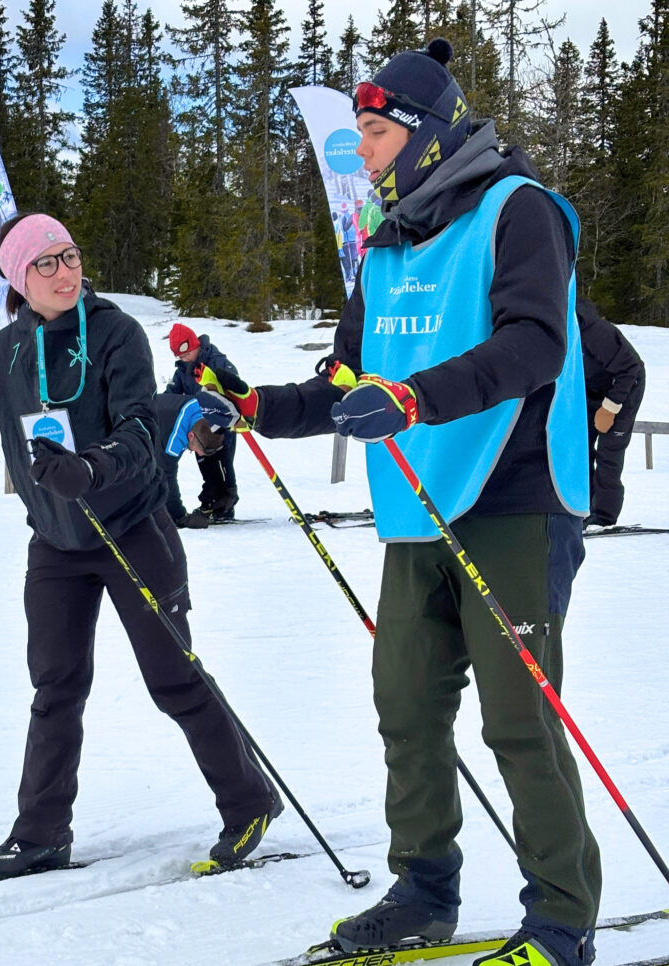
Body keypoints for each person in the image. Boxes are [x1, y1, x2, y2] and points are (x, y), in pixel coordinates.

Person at [208, 39, 600, 966]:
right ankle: (423, 891)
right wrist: (255, 406)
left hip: (515, 490)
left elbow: (536, 344)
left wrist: (418, 397)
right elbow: (349, 378)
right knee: (407, 704)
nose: (365, 154)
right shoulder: (385, 244)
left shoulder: (521, 210)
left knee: (517, 716)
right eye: (358, 137)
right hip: (420, 500)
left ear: (425, 134)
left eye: (376, 134)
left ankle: (561, 919)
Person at [0, 213, 281, 883]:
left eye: (70, 257)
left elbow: (139, 433)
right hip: (58, 544)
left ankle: (250, 802)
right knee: (55, 689)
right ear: (18, 277)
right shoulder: (7, 350)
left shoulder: (115, 333)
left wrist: (90, 469)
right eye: (46, 263)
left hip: (132, 531)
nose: (64, 272)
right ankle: (39, 835)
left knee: (173, 680)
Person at [576, 296, 645, 528]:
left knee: (609, 453)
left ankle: (604, 517)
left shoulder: (597, 332)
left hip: (625, 387)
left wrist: (610, 408)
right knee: (580, 450)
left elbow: (630, 369)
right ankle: (582, 508)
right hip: (591, 390)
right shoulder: (557, 333)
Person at [163, 322, 240, 522]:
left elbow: (235, 384)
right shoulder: (182, 370)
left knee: (223, 464)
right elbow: (172, 394)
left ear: (195, 344)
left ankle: (225, 505)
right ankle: (209, 502)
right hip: (199, 428)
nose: (184, 358)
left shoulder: (216, 360)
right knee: (205, 464)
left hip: (222, 426)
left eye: (186, 353)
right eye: (180, 356)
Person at [154, 391, 237, 529]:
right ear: (191, 436)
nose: (196, 453)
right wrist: (180, 517)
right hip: (137, 418)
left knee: (210, 453)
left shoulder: (212, 416)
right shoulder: (173, 439)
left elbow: (221, 451)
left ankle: (217, 500)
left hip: (168, 410)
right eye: (196, 450)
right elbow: (166, 477)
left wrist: (228, 488)